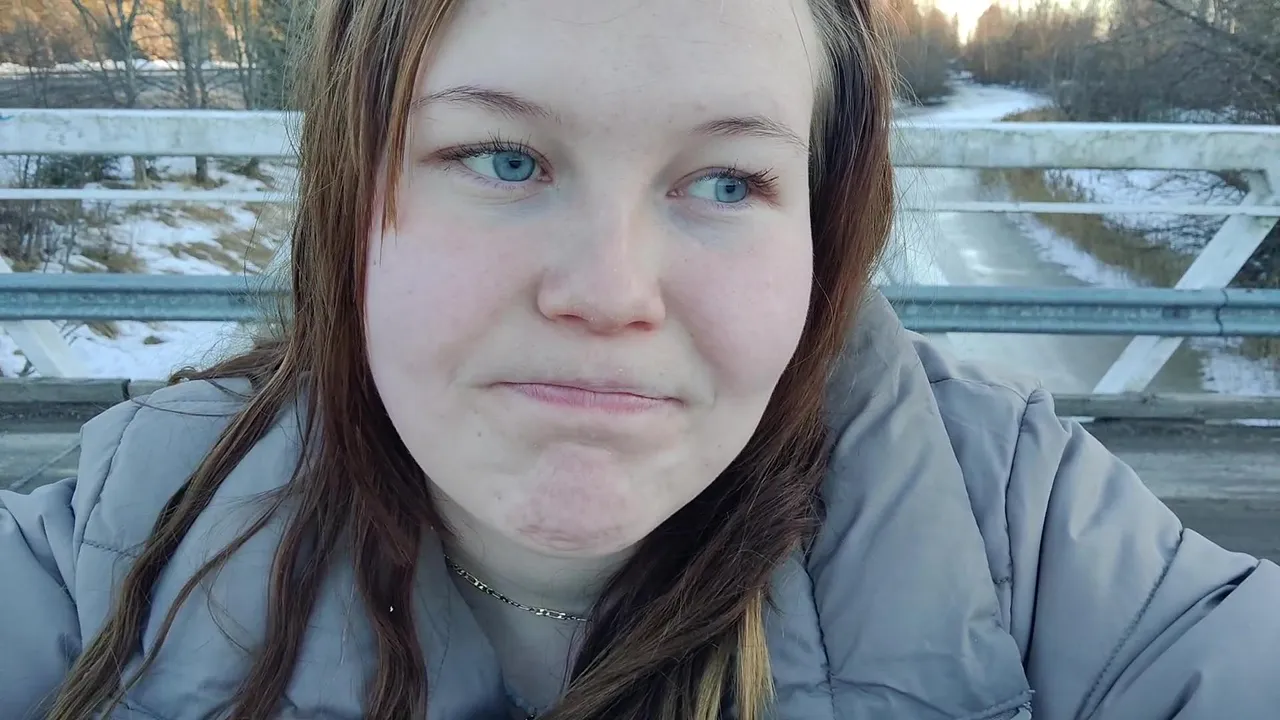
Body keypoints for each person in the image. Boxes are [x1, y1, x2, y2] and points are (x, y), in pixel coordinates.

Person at [2, 0, 1278, 718]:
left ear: (823, 235)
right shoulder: (115, 554)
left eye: (724, 180)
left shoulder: (1030, 543)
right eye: (503, 160)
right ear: (350, 203)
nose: (610, 292)